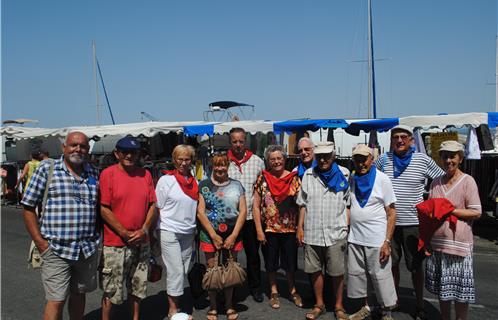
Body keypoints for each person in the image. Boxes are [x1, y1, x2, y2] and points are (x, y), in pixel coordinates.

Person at [21, 131, 100, 320]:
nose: (78, 149)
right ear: (64, 147)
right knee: (56, 299)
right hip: (56, 249)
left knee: (79, 294)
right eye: (73, 145)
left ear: (88, 150)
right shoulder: (47, 170)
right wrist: (41, 243)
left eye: (82, 146)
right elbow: (28, 207)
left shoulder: (94, 173)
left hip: (86, 249)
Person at [375, 125, 444, 319]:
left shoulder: (422, 160)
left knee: (415, 266)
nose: (399, 141)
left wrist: (433, 207)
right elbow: (372, 180)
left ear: (411, 140)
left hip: (414, 224)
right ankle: (393, 301)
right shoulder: (383, 159)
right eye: (395, 137)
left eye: (403, 137)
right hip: (388, 223)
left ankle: (420, 304)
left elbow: (441, 179)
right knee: (391, 264)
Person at [99, 137, 157, 320]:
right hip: (115, 243)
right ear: (117, 154)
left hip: (141, 241)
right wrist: (124, 232)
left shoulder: (145, 174)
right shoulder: (108, 174)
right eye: (125, 152)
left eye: (134, 152)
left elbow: (153, 205)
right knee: (111, 290)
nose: (129, 155)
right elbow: (104, 208)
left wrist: (145, 230)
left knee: (138, 288)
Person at [424, 141, 481, 320]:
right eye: (445, 156)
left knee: (460, 292)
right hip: (438, 244)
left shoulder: (468, 181)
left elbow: (476, 212)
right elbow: (431, 213)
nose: (448, 160)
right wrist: (426, 240)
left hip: (460, 246)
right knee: (443, 289)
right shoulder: (435, 182)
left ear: (460, 158)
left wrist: (451, 210)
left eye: (453, 156)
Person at [296, 141, 350, 320]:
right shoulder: (308, 175)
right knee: (315, 270)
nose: (323, 160)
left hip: (336, 231)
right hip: (313, 231)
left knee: (337, 271)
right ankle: (319, 304)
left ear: (333, 156)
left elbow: (348, 204)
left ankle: (339, 305)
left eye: (327, 156)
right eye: (320, 156)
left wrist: (346, 226)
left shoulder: (344, 174)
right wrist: (300, 228)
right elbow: (302, 204)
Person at [348, 144, 397, 320]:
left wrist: (387, 241)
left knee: (381, 277)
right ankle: (367, 307)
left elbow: (391, 213)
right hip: (356, 237)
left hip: (377, 239)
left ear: (371, 159)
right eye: (357, 159)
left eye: (364, 159)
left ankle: (387, 312)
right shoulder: (352, 179)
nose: (361, 163)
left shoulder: (382, 179)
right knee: (361, 277)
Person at [196, 153, 247, 320]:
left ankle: (229, 304)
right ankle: (213, 306)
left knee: (229, 269)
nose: (219, 168)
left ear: (228, 166)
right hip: (209, 235)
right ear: (212, 165)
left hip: (232, 234)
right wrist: (213, 235)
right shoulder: (204, 185)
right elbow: (201, 213)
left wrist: (233, 235)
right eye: (216, 165)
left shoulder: (237, 185)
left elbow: (243, 212)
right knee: (212, 271)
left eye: (223, 165)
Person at [253, 145, 303, 310]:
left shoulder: (294, 179)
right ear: (268, 161)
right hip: (269, 230)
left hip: (290, 230)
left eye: (279, 158)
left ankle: (292, 289)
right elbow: (256, 206)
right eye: (272, 159)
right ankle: (274, 291)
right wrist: (259, 230)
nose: (276, 162)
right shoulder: (262, 178)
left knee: (290, 264)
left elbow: (301, 205)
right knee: (270, 263)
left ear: (285, 159)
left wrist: (300, 228)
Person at [155, 144, 197, 319]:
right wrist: (154, 232)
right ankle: (173, 309)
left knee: (185, 268)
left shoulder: (195, 181)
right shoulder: (166, 180)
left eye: (187, 159)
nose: (183, 163)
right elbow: (158, 206)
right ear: (174, 160)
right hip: (169, 229)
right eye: (180, 159)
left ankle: (175, 298)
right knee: (176, 270)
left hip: (188, 231)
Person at [226, 127, 266, 302]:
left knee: (253, 255)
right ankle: (230, 290)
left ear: (246, 142)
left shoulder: (257, 162)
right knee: (229, 256)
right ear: (230, 142)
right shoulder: (224, 162)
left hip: (250, 217)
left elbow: (263, 189)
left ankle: (255, 287)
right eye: (234, 141)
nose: (238, 144)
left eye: (241, 141)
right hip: (231, 218)